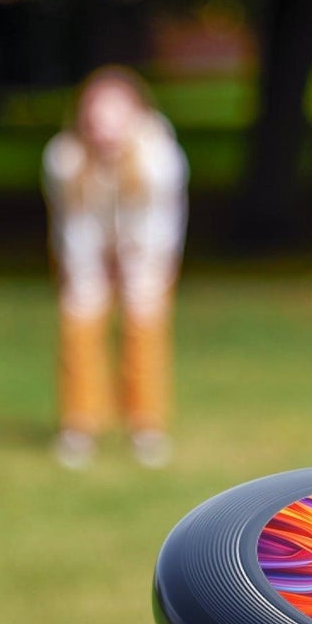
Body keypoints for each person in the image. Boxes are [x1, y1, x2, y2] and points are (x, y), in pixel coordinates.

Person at [43, 65, 189, 469]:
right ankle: (79, 425)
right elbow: (73, 223)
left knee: (144, 326)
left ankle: (146, 426)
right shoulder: (64, 158)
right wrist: (89, 270)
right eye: (96, 114)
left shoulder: (159, 157)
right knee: (79, 322)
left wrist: (135, 265)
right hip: (85, 251)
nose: (104, 126)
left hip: (147, 252)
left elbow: (160, 224)